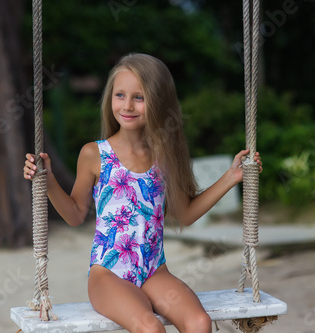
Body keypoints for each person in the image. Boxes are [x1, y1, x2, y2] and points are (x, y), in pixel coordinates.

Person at [23, 53, 262, 333]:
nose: (127, 105)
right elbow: (76, 215)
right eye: (120, 95)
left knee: (199, 322)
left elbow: (185, 214)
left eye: (139, 97)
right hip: (108, 275)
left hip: (154, 271)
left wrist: (231, 177)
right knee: (150, 328)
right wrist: (48, 181)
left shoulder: (166, 157)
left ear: (158, 102)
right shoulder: (95, 154)